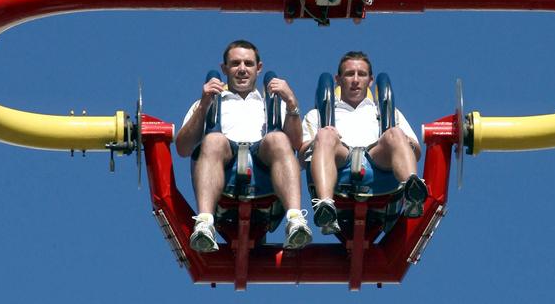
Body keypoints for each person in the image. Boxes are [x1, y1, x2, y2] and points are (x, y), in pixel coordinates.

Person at [175, 40, 312, 252]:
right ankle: (204, 223)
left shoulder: (273, 102)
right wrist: (203, 105)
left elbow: (296, 144)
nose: (241, 69)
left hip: (265, 172)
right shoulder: (208, 101)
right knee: (213, 139)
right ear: (224, 69)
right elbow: (183, 148)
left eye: (248, 64)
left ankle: (295, 220)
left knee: (278, 139)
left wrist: (292, 103)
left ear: (258, 68)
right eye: (235, 63)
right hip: (223, 169)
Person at [300, 51, 426, 234]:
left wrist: (405, 142)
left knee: (395, 133)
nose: (355, 80)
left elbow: (416, 150)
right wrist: (320, 140)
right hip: (339, 165)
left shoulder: (386, 113)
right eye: (349, 74)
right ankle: (326, 206)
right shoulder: (317, 115)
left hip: (379, 167)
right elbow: (303, 156)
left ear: (371, 80)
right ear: (338, 79)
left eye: (362, 74)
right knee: (326, 134)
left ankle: (413, 192)